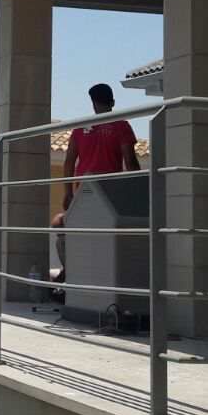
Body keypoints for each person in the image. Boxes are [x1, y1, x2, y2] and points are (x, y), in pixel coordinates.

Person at [52, 83, 141, 281]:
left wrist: (68, 192)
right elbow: (130, 162)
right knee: (91, 233)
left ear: (93, 103)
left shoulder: (81, 128)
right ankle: (75, 271)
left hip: (85, 193)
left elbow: (69, 161)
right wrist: (138, 191)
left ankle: (71, 270)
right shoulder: (121, 126)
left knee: (64, 227)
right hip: (109, 194)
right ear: (113, 102)